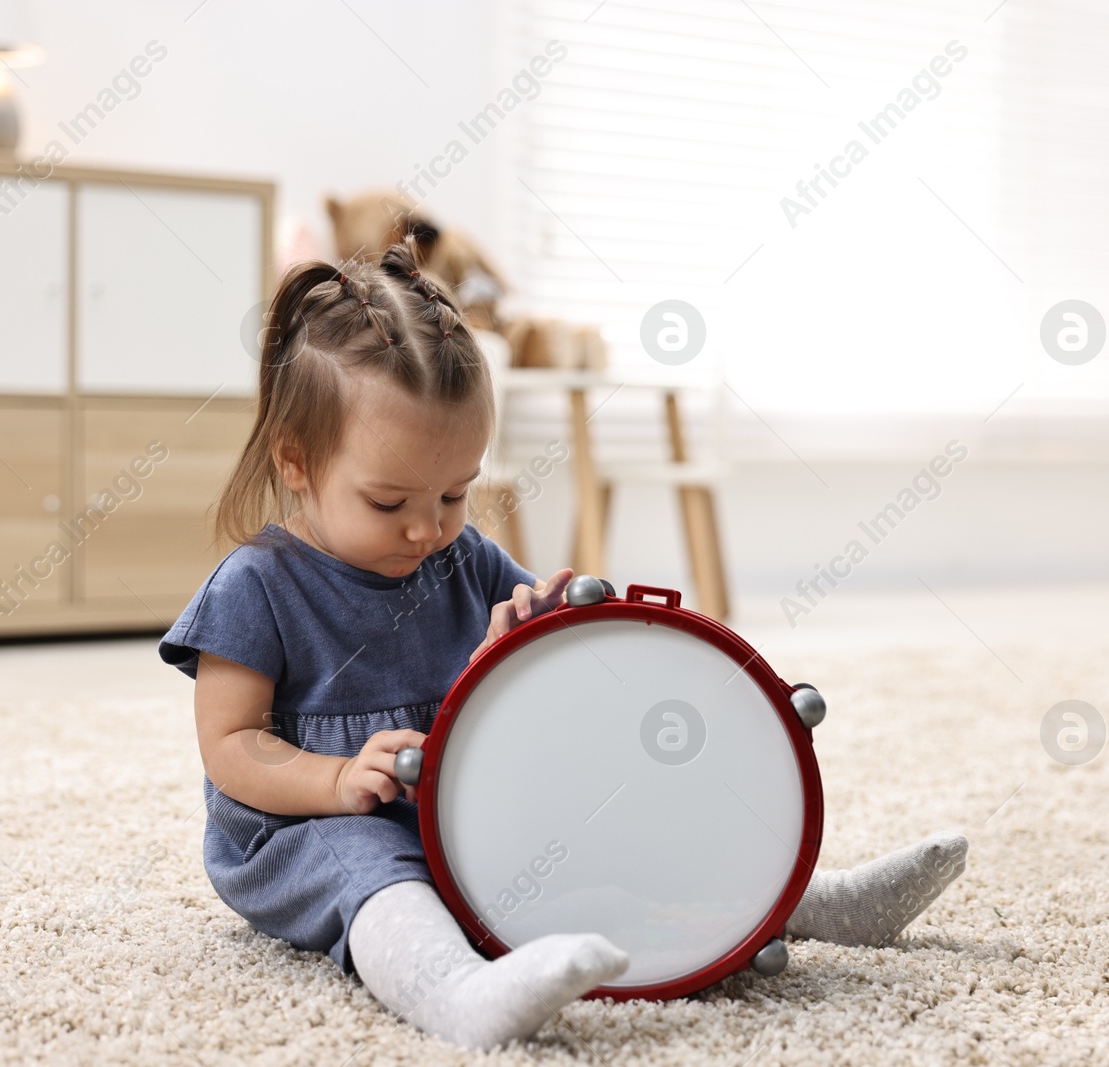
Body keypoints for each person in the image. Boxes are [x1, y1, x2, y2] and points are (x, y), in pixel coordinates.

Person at [158, 242, 969, 1050]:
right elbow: (232, 745)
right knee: (367, 862)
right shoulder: (257, 583)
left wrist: (534, 627)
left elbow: (552, 650)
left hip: (455, 805)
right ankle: (452, 989)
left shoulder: (460, 556)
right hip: (304, 825)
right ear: (295, 463)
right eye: (388, 500)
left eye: (454, 492)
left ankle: (798, 897)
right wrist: (337, 778)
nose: (427, 527)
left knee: (594, 830)